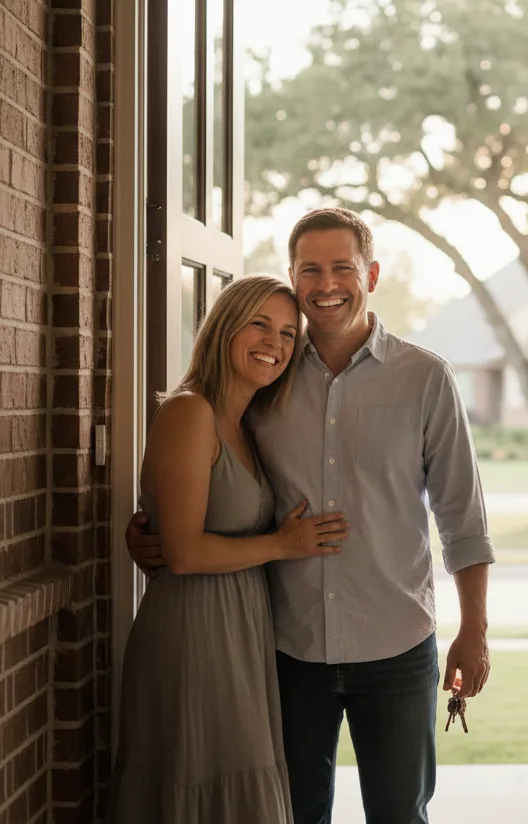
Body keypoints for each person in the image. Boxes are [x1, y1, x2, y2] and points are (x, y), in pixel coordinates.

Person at [127, 208, 495, 824]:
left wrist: (475, 630)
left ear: (371, 274)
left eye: (342, 268)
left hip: (397, 646)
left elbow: (463, 519)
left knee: (401, 815)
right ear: (294, 279)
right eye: (310, 270)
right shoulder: (265, 375)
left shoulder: (425, 377)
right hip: (286, 648)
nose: (327, 284)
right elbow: (210, 473)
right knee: (291, 815)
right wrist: (151, 529)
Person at [110, 275, 350, 823]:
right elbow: (185, 553)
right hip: (193, 634)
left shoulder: (247, 423)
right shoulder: (189, 412)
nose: (276, 343)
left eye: (290, 334)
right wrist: (282, 544)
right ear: (224, 328)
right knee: (195, 781)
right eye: (259, 325)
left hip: (240, 629)